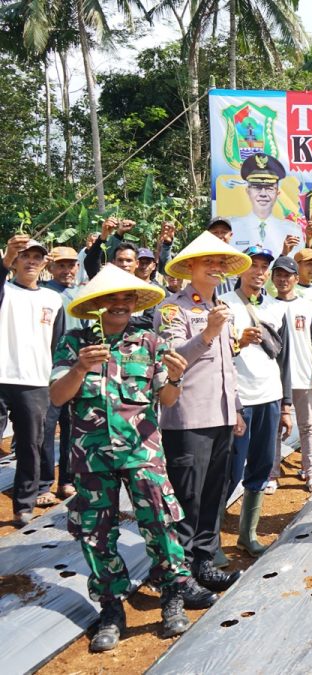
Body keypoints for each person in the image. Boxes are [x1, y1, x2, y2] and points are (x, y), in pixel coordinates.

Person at [49, 265, 216, 652]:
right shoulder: (75, 343)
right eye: (113, 298)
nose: (121, 304)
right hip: (91, 456)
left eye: (127, 298)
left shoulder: (150, 342)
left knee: (160, 523)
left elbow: (169, 400)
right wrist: (79, 368)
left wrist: (175, 378)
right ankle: (111, 608)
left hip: (143, 452)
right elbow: (58, 398)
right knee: (97, 534)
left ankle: (172, 597)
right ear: (96, 304)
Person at [157, 231, 250, 594]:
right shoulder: (172, 309)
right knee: (187, 497)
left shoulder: (223, 311)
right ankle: (179, 575)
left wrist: (238, 409)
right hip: (187, 418)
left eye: (221, 262)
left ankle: (205, 562)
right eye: (208, 261)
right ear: (190, 267)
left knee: (215, 493)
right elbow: (172, 361)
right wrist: (208, 333)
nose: (216, 267)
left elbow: (228, 368)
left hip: (222, 415)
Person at [221, 246, 292, 555]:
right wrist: (238, 343)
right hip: (238, 400)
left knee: (262, 466)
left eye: (265, 267)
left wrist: (286, 404)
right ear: (241, 270)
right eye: (253, 266)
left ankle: (247, 534)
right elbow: (215, 356)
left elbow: (284, 359)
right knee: (229, 470)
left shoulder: (277, 308)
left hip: (270, 397)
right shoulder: (224, 306)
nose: (260, 272)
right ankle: (209, 540)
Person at [0, 236, 65, 525]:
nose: (31, 261)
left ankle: (23, 506)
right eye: (24, 255)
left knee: (31, 444)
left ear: (44, 263)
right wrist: (3, 262)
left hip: (35, 382)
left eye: (37, 257)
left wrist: (51, 375)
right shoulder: (4, 288)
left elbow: (57, 342)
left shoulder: (52, 299)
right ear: (14, 260)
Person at [271, 255, 312, 493]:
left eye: (287, 275)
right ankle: (271, 474)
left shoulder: (307, 307)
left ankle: (310, 470)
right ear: (273, 278)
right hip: (272, 379)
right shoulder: (267, 307)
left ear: (295, 278)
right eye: (278, 275)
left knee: (307, 426)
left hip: (302, 375)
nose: (283, 280)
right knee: (274, 428)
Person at [42, 246, 81, 499]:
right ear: (50, 267)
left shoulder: (82, 295)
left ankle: (66, 481)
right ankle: (43, 484)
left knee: (71, 427)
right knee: (45, 429)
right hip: (46, 371)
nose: (67, 270)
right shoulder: (44, 292)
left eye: (71, 265)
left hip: (75, 372)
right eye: (61, 265)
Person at [230, 153, 296, 251]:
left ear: (277, 192)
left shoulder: (293, 230)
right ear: (248, 191)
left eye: (269, 188)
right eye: (257, 188)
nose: (263, 194)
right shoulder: (231, 229)